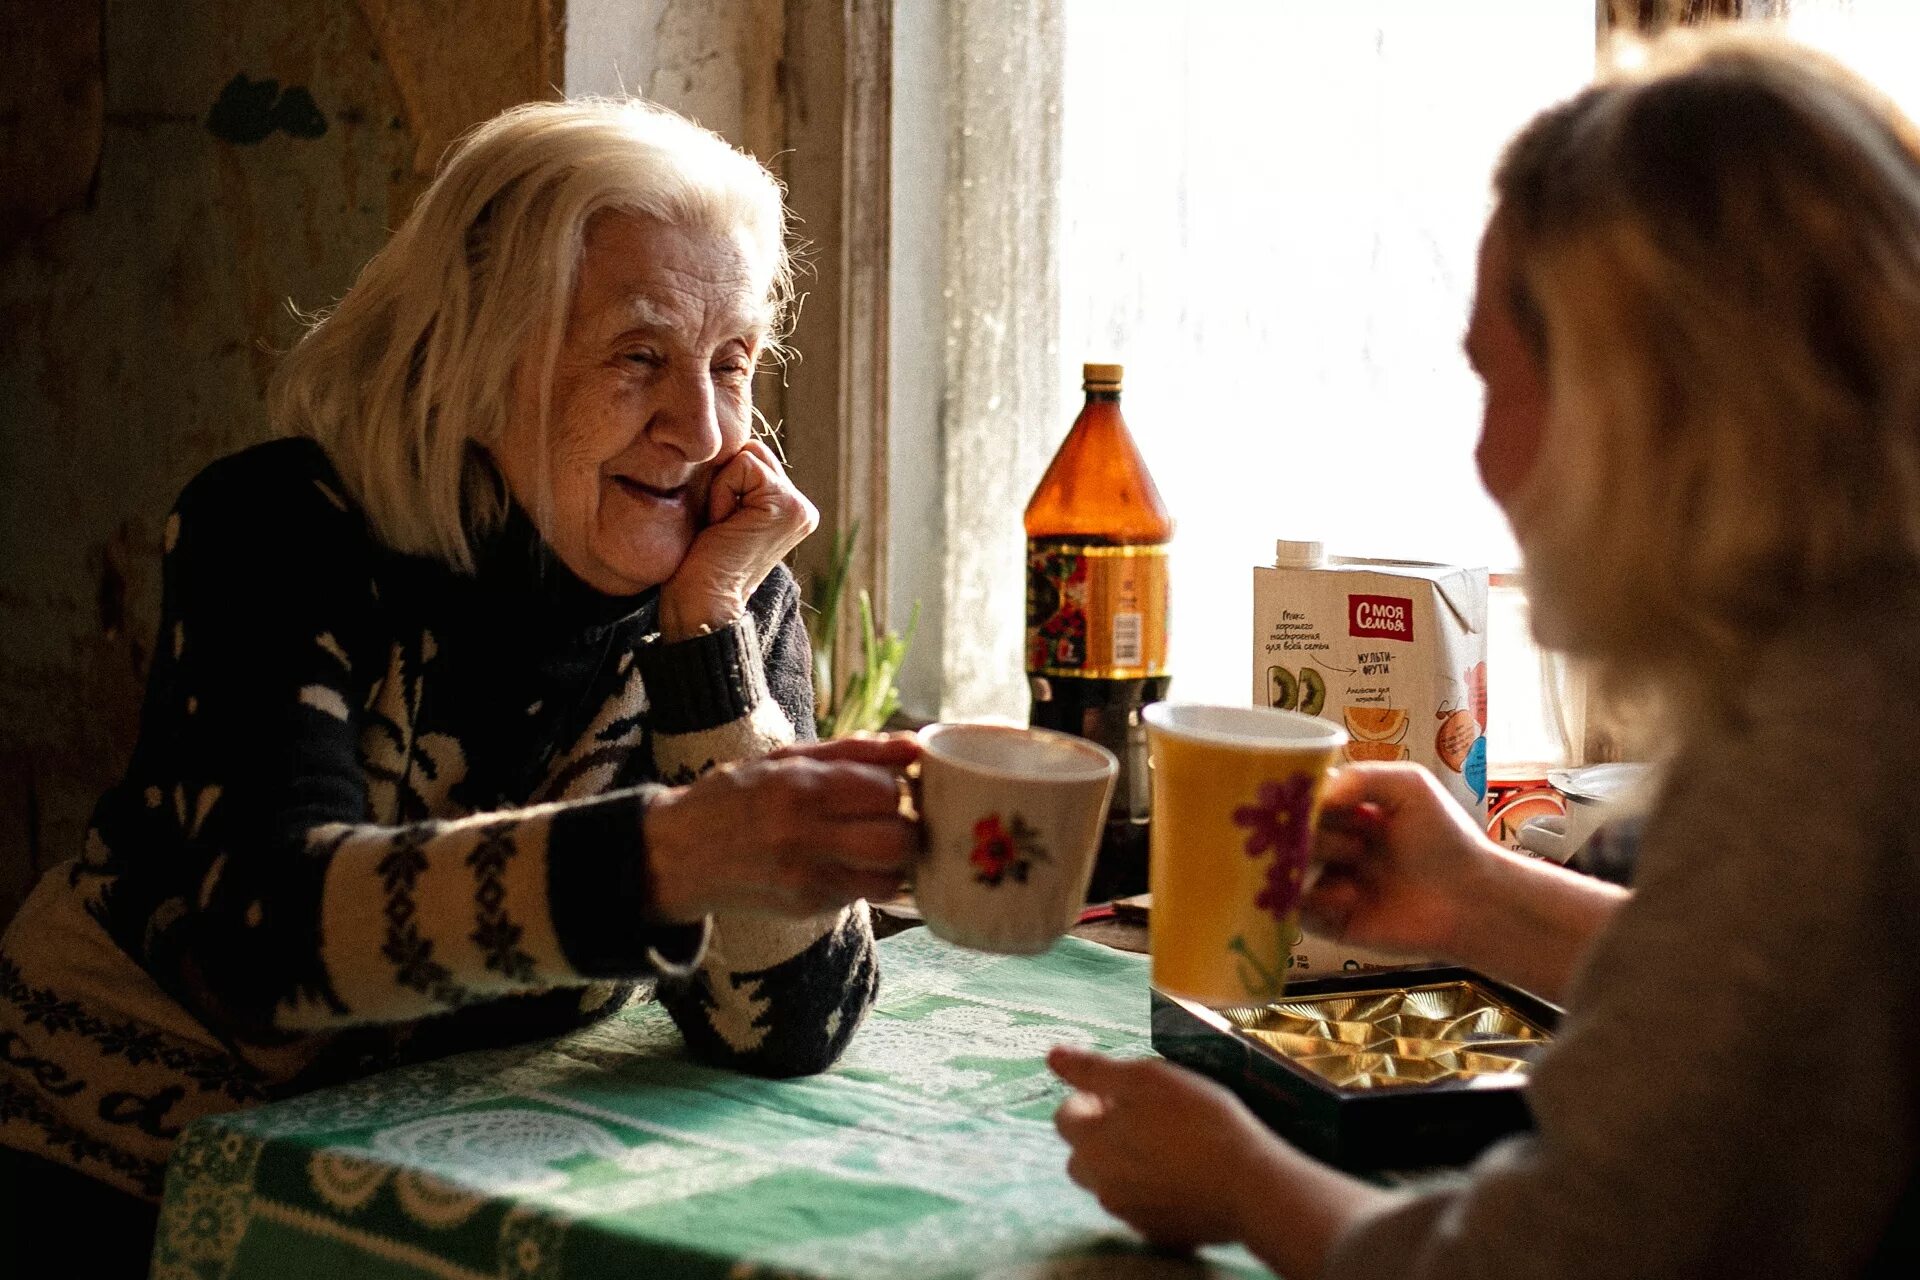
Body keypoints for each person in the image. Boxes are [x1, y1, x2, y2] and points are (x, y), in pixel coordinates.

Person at [1050, 28, 1920, 1279]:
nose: (1482, 460)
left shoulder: (1823, 759)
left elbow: (1553, 1257)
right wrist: (1480, 898)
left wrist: (1241, 1180)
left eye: (1496, 381)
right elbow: (1790, 1013)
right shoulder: (1859, 671)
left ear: (1645, 403)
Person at [0, 99, 917, 1272]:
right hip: (124, 1172)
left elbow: (792, 1026)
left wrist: (708, 650)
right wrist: (672, 855)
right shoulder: (282, 528)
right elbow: (263, 943)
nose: (700, 428)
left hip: (439, 1178)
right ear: (476, 356)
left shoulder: (723, 590)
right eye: (640, 355)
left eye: (732, 364)